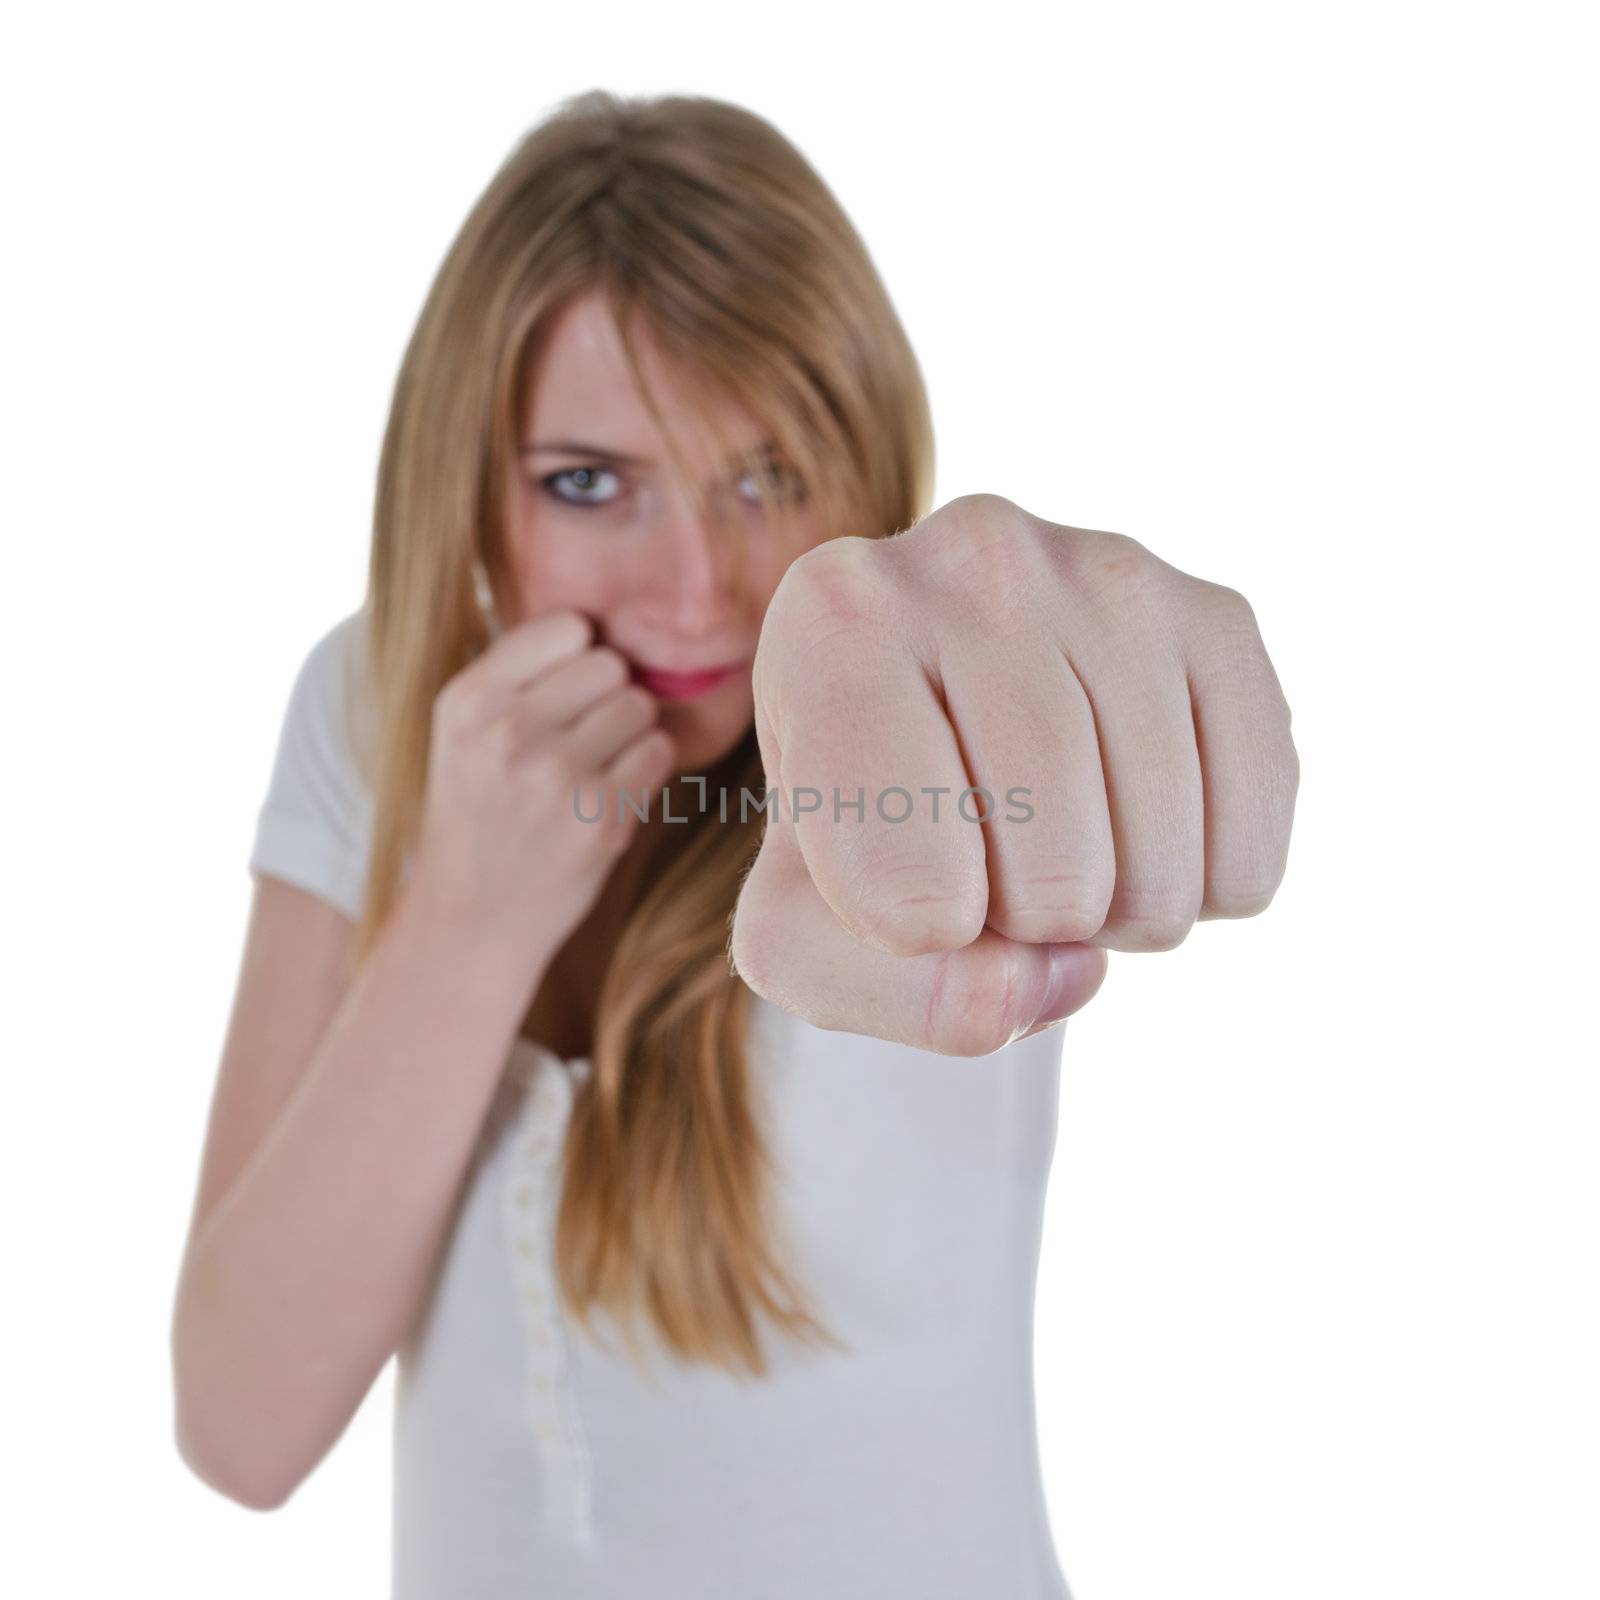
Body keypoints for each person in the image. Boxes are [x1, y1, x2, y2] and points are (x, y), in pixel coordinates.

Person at [169, 90, 1297, 1600]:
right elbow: (240, 1430)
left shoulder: (914, 709)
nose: (696, 593)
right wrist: (469, 916)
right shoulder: (372, 707)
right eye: (588, 482)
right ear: (468, 485)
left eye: (766, 474)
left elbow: (997, 648)